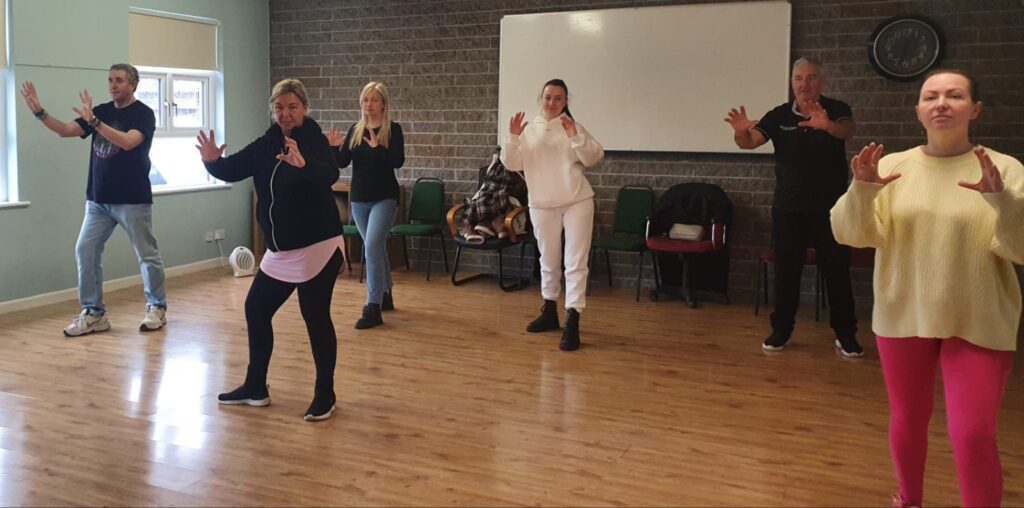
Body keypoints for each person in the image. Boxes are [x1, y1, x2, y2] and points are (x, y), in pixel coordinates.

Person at [831, 69, 1023, 508]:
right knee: (908, 420)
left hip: (979, 318)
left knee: (972, 433)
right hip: (904, 316)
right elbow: (850, 233)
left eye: (954, 96)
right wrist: (861, 189)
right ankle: (909, 500)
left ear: (974, 110)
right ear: (917, 110)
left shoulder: (1004, 169)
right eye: (931, 96)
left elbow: (1020, 246)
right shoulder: (893, 166)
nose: (941, 103)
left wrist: (1003, 202)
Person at [197, 79, 344, 421]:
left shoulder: (314, 141)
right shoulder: (265, 145)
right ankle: (255, 386)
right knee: (256, 309)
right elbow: (232, 168)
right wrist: (212, 162)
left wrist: (303, 165)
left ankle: (326, 393)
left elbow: (330, 174)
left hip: (318, 245)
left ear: (304, 109)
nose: (285, 113)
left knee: (315, 316)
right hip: (281, 251)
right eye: (279, 107)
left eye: (292, 106)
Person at [724, 57, 862, 357]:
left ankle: (846, 334)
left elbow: (847, 131)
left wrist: (826, 126)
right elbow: (750, 142)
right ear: (792, 82)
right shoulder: (779, 115)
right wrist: (740, 131)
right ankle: (781, 331)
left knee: (837, 272)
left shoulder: (836, 109)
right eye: (798, 78)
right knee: (786, 273)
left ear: (821, 82)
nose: (804, 83)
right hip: (788, 209)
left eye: (811, 78)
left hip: (832, 209)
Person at [20, 64, 167, 337]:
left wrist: (96, 123)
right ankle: (94, 313)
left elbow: (127, 142)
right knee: (85, 251)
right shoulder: (100, 110)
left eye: (119, 80)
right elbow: (64, 130)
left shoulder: (143, 114)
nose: (113, 85)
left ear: (133, 84)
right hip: (98, 200)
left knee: (147, 255)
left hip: (132, 199)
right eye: (110, 80)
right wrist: (39, 111)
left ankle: (157, 306)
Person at [501, 78, 604, 351]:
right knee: (548, 259)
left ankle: (573, 319)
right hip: (542, 203)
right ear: (541, 98)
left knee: (575, 262)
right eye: (548, 97)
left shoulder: (572, 127)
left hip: (577, 201)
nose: (552, 102)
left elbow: (594, 157)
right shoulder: (529, 130)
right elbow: (512, 164)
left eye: (558, 98)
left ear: (565, 101)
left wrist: (575, 137)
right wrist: (512, 138)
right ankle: (549, 311)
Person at [326, 82, 405, 330]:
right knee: (376, 247)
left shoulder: (393, 130)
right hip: (359, 198)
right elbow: (342, 163)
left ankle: (373, 307)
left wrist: (378, 148)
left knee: (370, 247)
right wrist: (334, 147)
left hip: (385, 197)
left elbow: (398, 161)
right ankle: (386, 293)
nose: (368, 104)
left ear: (383, 104)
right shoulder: (355, 130)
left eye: (373, 99)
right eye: (365, 100)